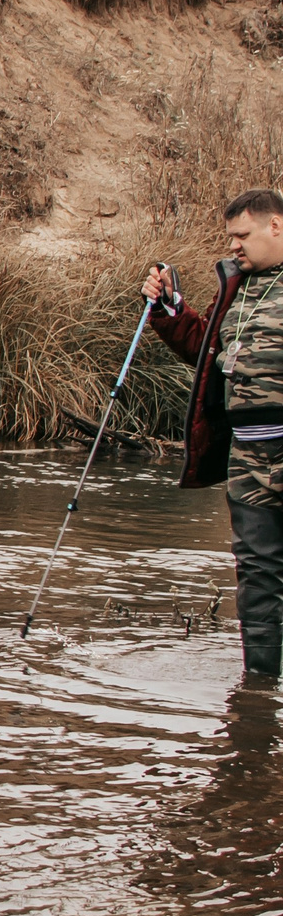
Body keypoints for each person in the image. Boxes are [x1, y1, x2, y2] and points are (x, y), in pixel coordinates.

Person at [145, 188, 283, 677]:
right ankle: (260, 690)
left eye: (242, 236)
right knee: (257, 575)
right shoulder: (238, 286)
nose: (234, 247)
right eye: (231, 238)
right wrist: (170, 310)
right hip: (248, 456)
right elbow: (208, 349)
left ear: (276, 226)